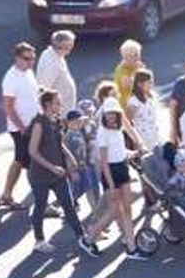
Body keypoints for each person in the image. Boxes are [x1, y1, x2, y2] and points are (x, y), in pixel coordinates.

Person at [79, 98, 147, 260]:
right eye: (108, 114)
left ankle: (131, 247)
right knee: (114, 211)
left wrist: (136, 149)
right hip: (110, 172)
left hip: (122, 168)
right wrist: (110, 185)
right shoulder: (102, 133)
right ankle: (88, 239)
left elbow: (121, 146)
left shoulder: (118, 128)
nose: (111, 117)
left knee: (127, 209)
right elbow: (103, 161)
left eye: (114, 114)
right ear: (103, 115)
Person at [25, 89, 87, 254]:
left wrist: (70, 158)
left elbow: (59, 143)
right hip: (40, 176)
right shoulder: (39, 123)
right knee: (40, 206)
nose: (60, 105)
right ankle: (39, 240)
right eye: (57, 102)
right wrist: (52, 167)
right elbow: (33, 151)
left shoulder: (58, 121)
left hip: (58, 174)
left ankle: (82, 235)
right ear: (47, 104)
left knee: (69, 205)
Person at [0, 41, 41, 210]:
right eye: (26, 59)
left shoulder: (28, 72)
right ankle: (41, 201)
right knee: (34, 164)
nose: (31, 62)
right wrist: (23, 128)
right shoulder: (11, 78)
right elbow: (8, 107)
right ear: (17, 58)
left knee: (19, 160)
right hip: (22, 129)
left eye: (33, 58)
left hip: (33, 125)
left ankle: (7, 194)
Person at [63, 109, 99, 217]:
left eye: (79, 122)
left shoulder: (80, 132)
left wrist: (87, 117)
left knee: (89, 189)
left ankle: (96, 213)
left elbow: (87, 121)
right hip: (74, 168)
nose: (78, 124)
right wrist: (72, 171)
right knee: (75, 192)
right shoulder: (67, 137)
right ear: (68, 123)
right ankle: (69, 207)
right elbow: (66, 156)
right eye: (74, 122)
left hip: (84, 166)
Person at [36, 30, 77, 110]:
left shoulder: (55, 54)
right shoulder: (51, 63)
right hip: (59, 110)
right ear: (63, 45)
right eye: (70, 46)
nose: (71, 49)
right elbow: (45, 88)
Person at [125, 69, 160, 154]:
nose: (151, 85)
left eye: (152, 82)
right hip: (143, 140)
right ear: (140, 84)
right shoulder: (134, 102)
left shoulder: (151, 97)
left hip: (155, 137)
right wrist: (136, 141)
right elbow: (127, 123)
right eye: (149, 83)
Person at [112, 39, 144, 110]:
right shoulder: (122, 71)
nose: (138, 58)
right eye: (134, 55)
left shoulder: (135, 66)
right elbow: (132, 86)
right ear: (126, 57)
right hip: (126, 107)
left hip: (137, 105)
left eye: (138, 54)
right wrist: (137, 72)